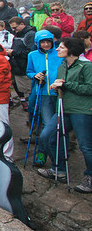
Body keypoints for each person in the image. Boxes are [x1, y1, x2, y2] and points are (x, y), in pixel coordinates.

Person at [37, 37, 92, 193]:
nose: (57, 49)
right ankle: (58, 169)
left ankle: (90, 177)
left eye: (61, 47)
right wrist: (56, 87)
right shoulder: (63, 66)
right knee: (47, 136)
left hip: (82, 110)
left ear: (71, 49)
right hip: (63, 109)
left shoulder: (86, 66)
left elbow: (90, 88)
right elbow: (62, 86)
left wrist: (66, 85)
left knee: (86, 146)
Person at [27, 30, 63, 167]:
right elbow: (29, 71)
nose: (46, 44)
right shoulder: (32, 55)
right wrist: (35, 75)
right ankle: (42, 152)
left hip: (59, 94)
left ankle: (58, 153)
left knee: (58, 125)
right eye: (43, 42)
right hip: (43, 93)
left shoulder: (59, 54)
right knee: (48, 124)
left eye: (48, 41)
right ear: (37, 43)